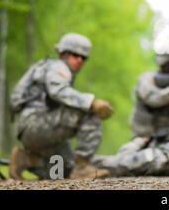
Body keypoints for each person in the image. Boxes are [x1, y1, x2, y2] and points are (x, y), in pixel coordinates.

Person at [8, 33, 114, 180]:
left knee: (64, 168)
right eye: (76, 55)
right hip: (36, 124)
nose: (80, 60)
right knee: (90, 113)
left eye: (84, 58)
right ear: (63, 54)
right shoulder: (58, 67)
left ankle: (26, 159)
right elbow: (58, 91)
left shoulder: (49, 68)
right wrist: (91, 102)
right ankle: (82, 167)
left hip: (34, 131)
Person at [92, 116, 169, 177]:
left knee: (96, 161)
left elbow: (123, 161)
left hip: (108, 166)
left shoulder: (159, 159)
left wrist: (139, 142)